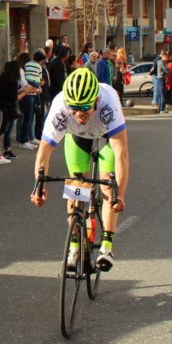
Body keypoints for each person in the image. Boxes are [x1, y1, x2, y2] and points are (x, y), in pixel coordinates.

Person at [30, 67, 130, 272]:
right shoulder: (60, 107)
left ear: (95, 101)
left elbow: (122, 155)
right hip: (77, 138)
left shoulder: (108, 103)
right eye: (74, 108)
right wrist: (39, 188)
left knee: (107, 188)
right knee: (76, 187)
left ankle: (107, 246)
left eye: (85, 107)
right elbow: (43, 153)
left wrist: (119, 195)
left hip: (105, 138)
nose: (79, 113)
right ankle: (74, 246)